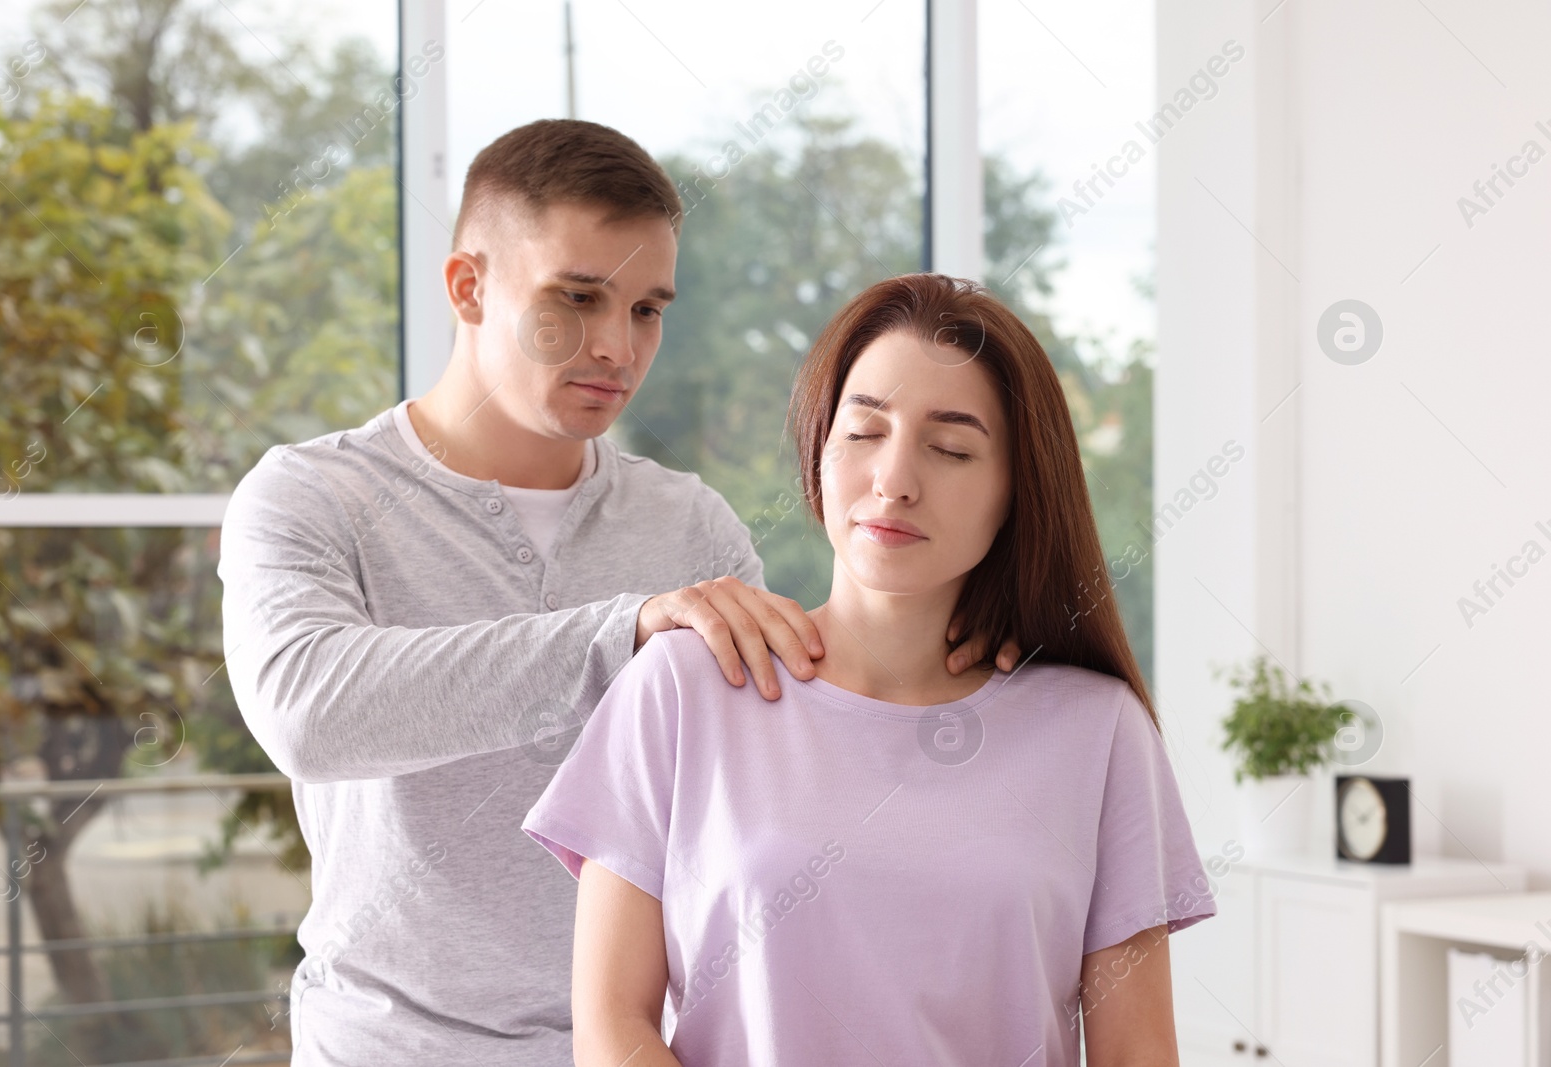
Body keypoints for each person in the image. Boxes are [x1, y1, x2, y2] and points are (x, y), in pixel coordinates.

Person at [218, 121, 1014, 1064]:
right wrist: (624, 635)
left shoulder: (693, 528)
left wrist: (965, 681)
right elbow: (311, 713)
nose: (615, 345)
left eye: (647, 309)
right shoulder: (314, 494)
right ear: (469, 287)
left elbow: (777, 771)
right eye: (578, 298)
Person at [522, 273, 1217, 1066]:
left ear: (1016, 492)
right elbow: (613, 1028)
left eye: (951, 448)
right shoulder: (682, 687)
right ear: (821, 448)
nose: (894, 479)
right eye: (863, 432)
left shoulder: (1098, 732)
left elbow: (1138, 1053)